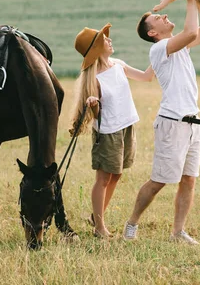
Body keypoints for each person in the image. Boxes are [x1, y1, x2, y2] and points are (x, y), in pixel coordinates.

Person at [123, 0, 200, 245]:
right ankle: (132, 223)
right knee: (159, 181)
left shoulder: (179, 45)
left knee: (189, 180)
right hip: (171, 123)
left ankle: (178, 232)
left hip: (192, 123)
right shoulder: (159, 48)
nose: (164, 16)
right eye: (158, 18)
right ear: (153, 32)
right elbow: (190, 33)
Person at [70, 23, 154, 239]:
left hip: (126, 126)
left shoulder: (118, 65)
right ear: (97, 49)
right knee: (103, 179)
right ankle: (99, 227)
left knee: (116, 174)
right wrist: (93, 103)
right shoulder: (95, 78)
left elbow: (146, 77)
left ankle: (96, 217)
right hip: (108, 132)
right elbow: (97, 114)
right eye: (104, 40)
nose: (110, 40)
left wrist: (162, 49)